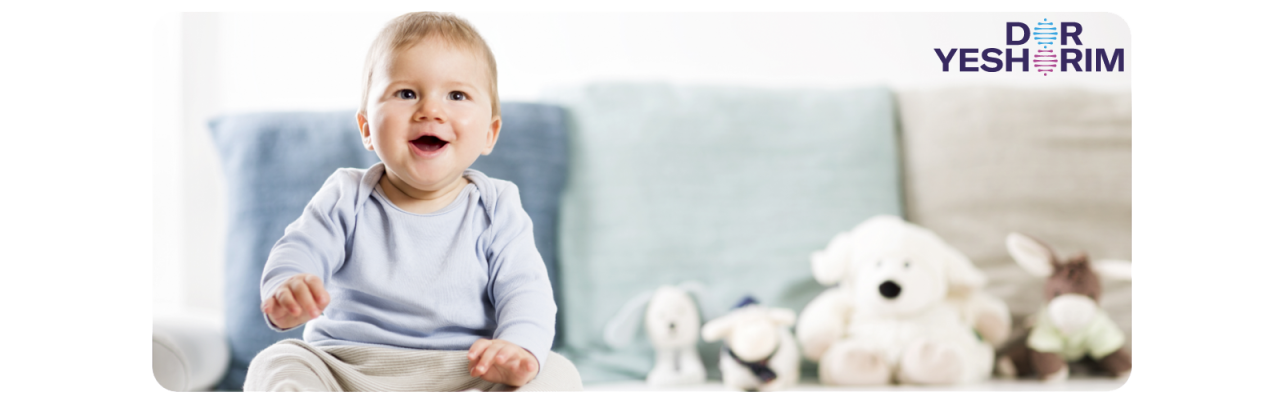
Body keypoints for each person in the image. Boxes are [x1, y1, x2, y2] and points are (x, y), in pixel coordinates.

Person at [243, 11, 580, 392]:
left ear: (490, 132)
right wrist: (288, 288)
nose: (430, 111)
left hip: (466, 369)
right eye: (406, 93)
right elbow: (299, 248)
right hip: (348, 367)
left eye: (457, 95)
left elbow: (526, 290)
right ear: (367, 128)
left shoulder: (496, 207)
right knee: (277, 361)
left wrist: (517, 348)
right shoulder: (346, 196)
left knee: (557, 371)